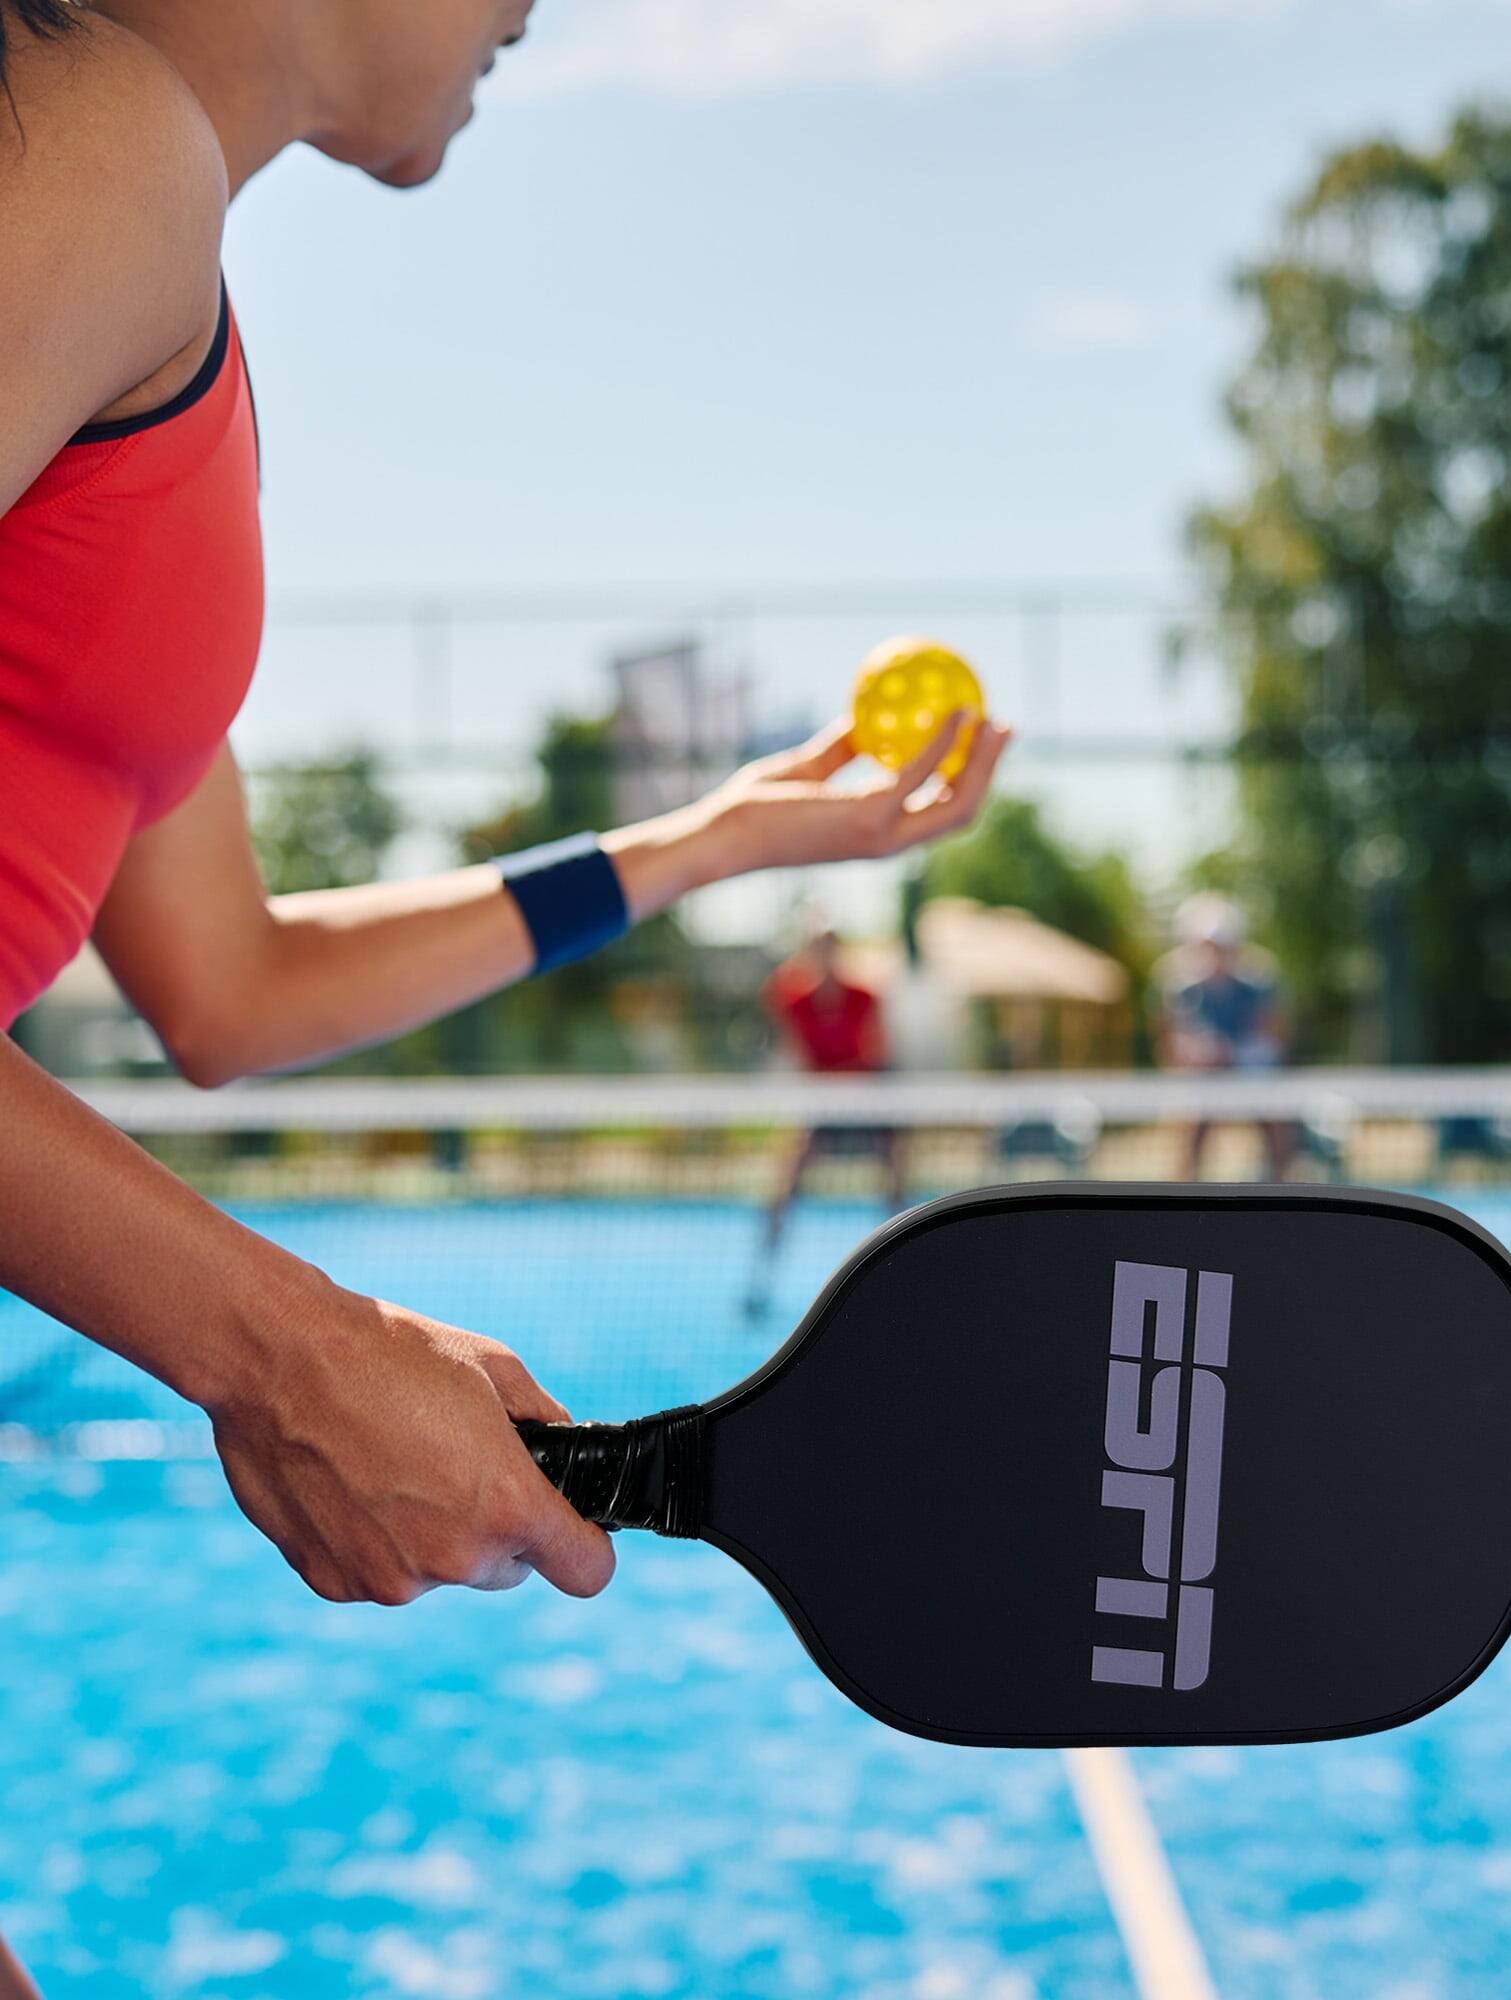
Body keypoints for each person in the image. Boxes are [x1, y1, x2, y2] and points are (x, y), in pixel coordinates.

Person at [0, 5, 1011, 1983]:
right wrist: (280, 1347)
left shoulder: (162, 297)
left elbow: (232, 983)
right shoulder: (94, 137)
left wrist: (701, 844)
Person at [744, 917, 906, 1319]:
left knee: (896, 1174)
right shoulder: (794, 999)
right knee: (784, 1184)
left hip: (867, 1098)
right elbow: (792, 1042)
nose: (826, 954)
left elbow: (879, 1049)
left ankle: (904, 1262)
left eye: (831, 946)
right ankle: (760, 1277)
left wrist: (856, 1086)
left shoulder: (864, 997)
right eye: (818, 947)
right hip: (822, 1104)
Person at [1155, 893, 1294, 1181]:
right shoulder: (1180, 988)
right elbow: (1171, 1044)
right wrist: (1194, 1055)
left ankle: (1283, 1190)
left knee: (1277, 1119)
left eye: (1221, 946)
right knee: (1190, 1125)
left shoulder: (1258, 984)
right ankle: (1182, 1197)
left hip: (1251, 1075)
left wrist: (1232, 1053)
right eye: (1207, 945)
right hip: (1202, 1081)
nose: (1214, 953)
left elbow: (1273, 1036)